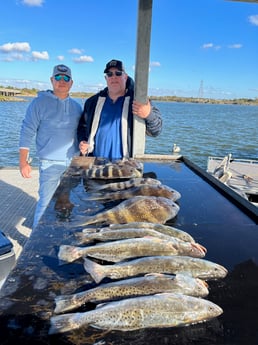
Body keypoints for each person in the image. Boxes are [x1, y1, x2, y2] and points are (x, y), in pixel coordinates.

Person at [19, 64, 82, 229]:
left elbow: (82, 133)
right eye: (58, 77)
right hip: (49, 163)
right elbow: (27, 131)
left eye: (66, 78)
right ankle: (35, 243)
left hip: (73, 163)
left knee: (68, 201)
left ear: (71, 82)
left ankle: (62, 233)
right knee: (45, 203)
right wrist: (23, 162)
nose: (62, 81)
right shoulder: (38, 103)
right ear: (52, 80)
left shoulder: (77, 107)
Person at [77, 59, 162, 159]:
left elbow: (156, 131)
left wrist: (148, 115)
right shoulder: (92, 102)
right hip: (96, 165)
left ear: (125, 77)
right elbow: (82, 126)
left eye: (118, 73)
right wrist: (82, 141)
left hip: (126, 167)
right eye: (110, 74)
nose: (114, 77)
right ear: (106, 78)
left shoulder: (139, 101)